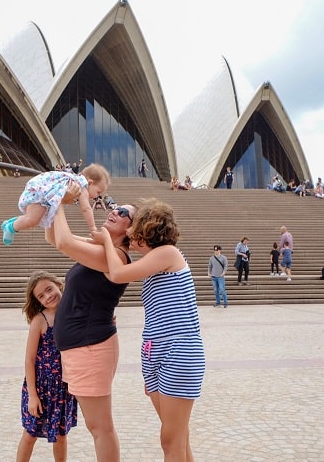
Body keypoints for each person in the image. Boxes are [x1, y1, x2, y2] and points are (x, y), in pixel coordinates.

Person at [91, 198, 205, 461]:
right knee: (178, 437)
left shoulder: (168, 253)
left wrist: (108, 240)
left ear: (148, 229)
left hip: (179, 350)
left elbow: (117, 274)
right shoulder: (153, 261)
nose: (131, 237)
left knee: (170, 439)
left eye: (136, 229)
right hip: (155, 351)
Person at [45, 202, 136, 462]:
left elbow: (63, 242)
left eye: (123, 213)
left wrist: (58, 197)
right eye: (116, 207)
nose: (115, 211)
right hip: (81, 348)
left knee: (100, 427)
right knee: (95, 426)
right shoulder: (102, 247)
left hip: (91, 348)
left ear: (131, 229)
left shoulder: (117, 257)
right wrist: (52, 207)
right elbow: (53, 237)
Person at [16, 271, 77, 462]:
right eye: (41, 296)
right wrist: (33, 395)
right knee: (30, 433)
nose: (47, 296)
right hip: (40, 387)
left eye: (49, 290)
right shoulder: (39, 320)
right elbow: (29, 359)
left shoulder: (73, 312)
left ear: (58, 285)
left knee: (61, 435)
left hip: (63, 387)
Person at [1, 163, 110, 246]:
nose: (97, 196)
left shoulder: (76, 182)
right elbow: (86, 209)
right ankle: (10, 227)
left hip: (43, 196)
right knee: (32, 220)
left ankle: (11, 223)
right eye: (98, 192)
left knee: (33, 219)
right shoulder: (82, 185)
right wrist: (93, 229)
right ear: (90, 182)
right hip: (40, 194)